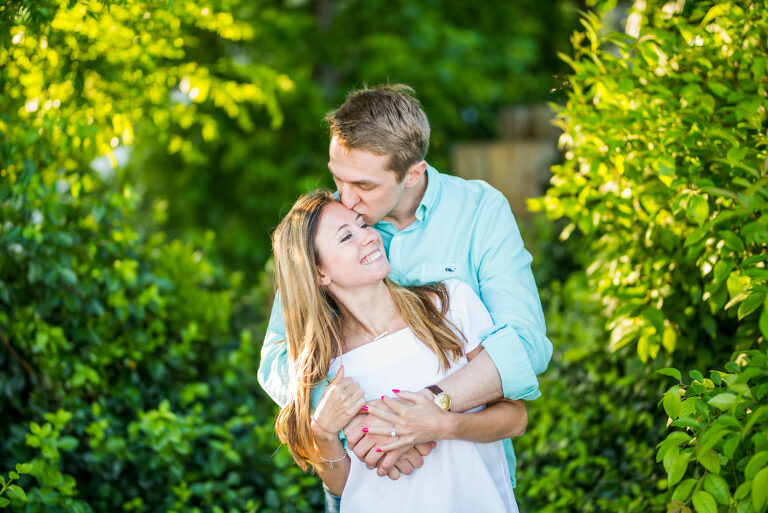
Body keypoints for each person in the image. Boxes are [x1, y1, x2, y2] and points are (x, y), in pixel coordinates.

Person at [259, 84, 552, 506]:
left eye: (362, 184)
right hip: (368, 487)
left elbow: (524, 346)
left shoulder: (479, 212)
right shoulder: (333, 227)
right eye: (337, 176)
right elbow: (278, 355)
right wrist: (360, 421)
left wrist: (429, 412)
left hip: (470, 483)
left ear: (413, 173)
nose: (346, 197)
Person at [272, 190, 527, 512]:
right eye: (346, 236)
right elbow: (347, 489)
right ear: (320, 273)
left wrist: (442, 424)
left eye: (362, 225)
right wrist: (322, 434)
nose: (368, 237)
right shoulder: (322, 365)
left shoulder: (449, 305)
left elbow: (516, 418)